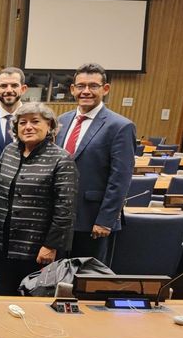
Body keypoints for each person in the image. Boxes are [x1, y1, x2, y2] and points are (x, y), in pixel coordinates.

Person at [0, 102, 78, 294]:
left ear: (50, 126)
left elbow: (65, 210)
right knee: (1, 294)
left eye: (35, 121)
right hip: (0, 244)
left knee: (32, 297)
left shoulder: (62, 159)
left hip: (36, 248)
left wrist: (50, 246)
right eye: (22, 122)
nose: (28, 127)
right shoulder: (9, 151)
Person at [55, 63, 135, 264]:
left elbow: (120, 178)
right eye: (81, 86)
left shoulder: (120, 126)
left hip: (93, 221)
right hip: (60, 220)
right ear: (73, 89)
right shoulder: (60, 121)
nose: (86, 91)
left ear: (105, 89)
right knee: (56, 278)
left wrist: (105, 220)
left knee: (86, 280)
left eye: (93, 86)